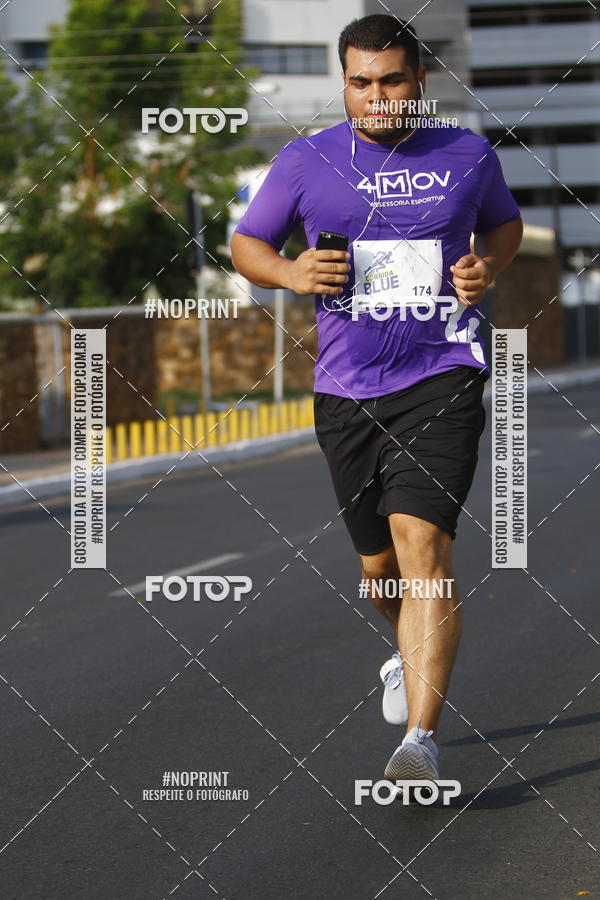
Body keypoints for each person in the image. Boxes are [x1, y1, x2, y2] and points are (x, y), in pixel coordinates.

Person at [230, 14, 523, 784]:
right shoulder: (304, 162)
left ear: (420, 81)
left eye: (392, 79)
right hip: (347, 390)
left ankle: (419, 744)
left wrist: (484, 271)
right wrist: (291, 274)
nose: (377, 96)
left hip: (444, 372)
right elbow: (246, 244)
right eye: (360, 82)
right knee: (379, 571)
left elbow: (505, 227)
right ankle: (406, 654)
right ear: (345, 84)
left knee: (424, 546)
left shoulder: (465, 154)